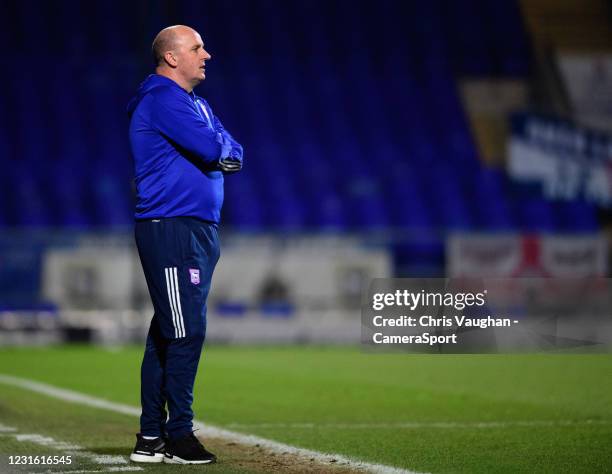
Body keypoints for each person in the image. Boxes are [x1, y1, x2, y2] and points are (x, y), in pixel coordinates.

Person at [126, 25, 243, 465]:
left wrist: (222, 149)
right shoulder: (162, 100)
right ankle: (178, 435)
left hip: (197, 229)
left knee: (168, 331)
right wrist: (220, 150)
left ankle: (151, 439)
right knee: (185, 330)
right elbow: (215, 151)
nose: (207, 54)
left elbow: (234, 149)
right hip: (172, 228)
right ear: (172, 58)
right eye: (197, 48)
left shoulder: (198, 104)